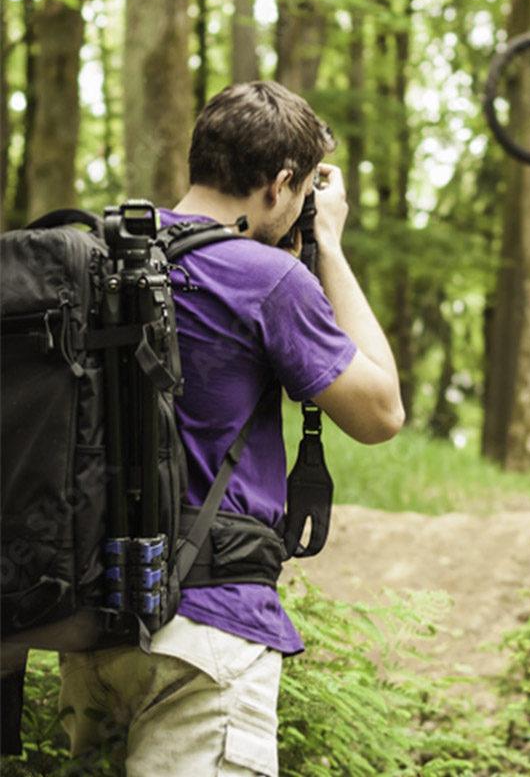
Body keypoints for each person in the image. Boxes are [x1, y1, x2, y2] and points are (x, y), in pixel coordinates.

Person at [57, 80, 405, 776]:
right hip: (208, 634)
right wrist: (329, 246)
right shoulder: (265, 278)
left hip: (89, 634)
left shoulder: (100, 263)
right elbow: (381, 412)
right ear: (281, 186)